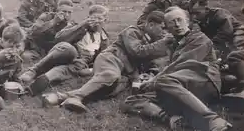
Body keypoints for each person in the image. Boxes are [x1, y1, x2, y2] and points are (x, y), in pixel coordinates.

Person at [122, 6, 232, 131]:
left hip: (205, 82)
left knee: (163, 81)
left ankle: (213, 119)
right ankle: (171, 119)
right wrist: (151, 75)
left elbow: (182, 63)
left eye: (179, 20)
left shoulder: (199, 38)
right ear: (167, 27)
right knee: (131, 100)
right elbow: (168, 65)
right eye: (171, 22)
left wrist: (155, 80)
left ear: (187, 21)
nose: (177, 24)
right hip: (180, 85)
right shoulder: (175, 42)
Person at [42, 11, 174, 112]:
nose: (164, 32)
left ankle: (61, 97)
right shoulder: (133, 31)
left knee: (110, 89)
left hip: (124, 72)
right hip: (110, 58)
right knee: (110, 75)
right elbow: (137, 51)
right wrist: (163, 42)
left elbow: (151, 62)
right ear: (150, 25)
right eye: (162, 28)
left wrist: (149, 73)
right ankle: (76, 97)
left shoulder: (154, 41)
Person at [19, 5, 111, 95]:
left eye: (100, 19)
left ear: (105, 21)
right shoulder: (77, 25)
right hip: (65, 53)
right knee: (67, 48)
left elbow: (101, 58)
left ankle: (37, 85)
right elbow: (59, 38)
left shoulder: (104, 39)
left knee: (62, 71)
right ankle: (34, 70)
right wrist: (83, 25)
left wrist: (91, 69)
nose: (97, 22)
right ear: (88, 18)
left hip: (79, 63)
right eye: (94, 18)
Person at [188, 0, 244, 91]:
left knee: (237, 49)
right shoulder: (200, 21)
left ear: (206, 9)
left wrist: (211, 44)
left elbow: (227, 32)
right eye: (192, 14)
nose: (194, 16)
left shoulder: (219, 14)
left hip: (237, 32)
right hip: (221, 39)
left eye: (197, 13)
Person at [20, 0, 75, 65]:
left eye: (69, 12)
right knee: (26, 56)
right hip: (37, 49)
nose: (67, 15)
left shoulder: (71, 25)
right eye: (64, 11)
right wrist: (54, 21)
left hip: (54, 53)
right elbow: (34, 31)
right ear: (57, 11)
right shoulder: (46, 17)